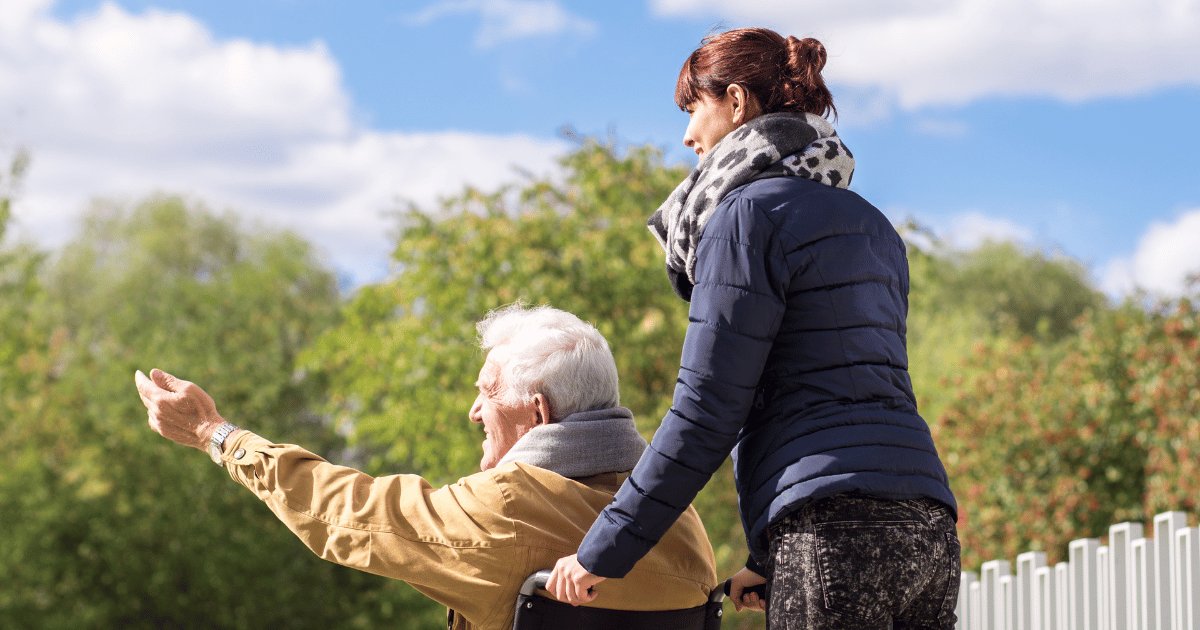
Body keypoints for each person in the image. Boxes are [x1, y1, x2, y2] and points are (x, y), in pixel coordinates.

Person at [546, 27, 960, 629]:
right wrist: (767, 555)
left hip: (830, 532)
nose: (687, 136)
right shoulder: (873, 225)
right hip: (927, 526)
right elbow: (846, 389)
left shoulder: (744, 216)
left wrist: (604, 551)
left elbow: (707, 410)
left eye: (694, 109)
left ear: (736, 103)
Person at [134, 305, 717, 630]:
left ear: (537, 412)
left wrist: (218, 435)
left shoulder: (509, 507)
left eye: (487, 393)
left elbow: (351, 513)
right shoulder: (680, 519)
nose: (473, 411)